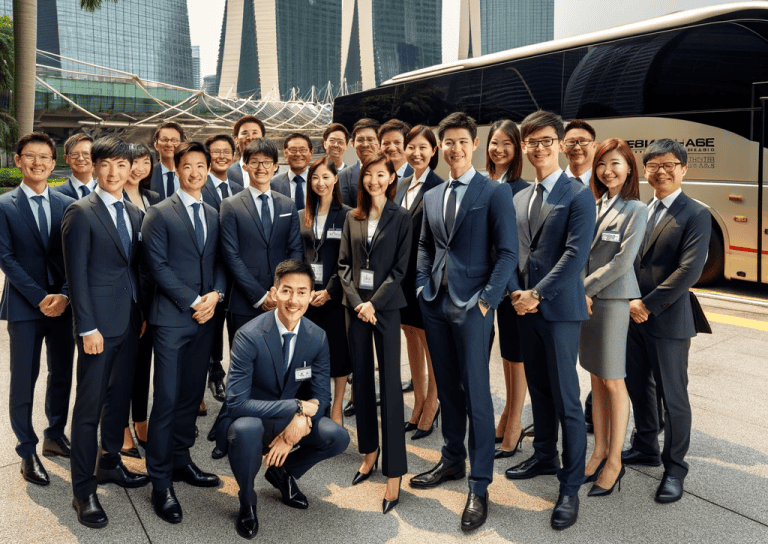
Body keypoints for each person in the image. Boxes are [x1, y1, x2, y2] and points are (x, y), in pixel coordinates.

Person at [410, 112, 517, 533]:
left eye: (461, 142)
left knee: (475, 394)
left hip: (473, 306)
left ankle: (480, 484)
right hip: (435, 302)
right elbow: (424, 244)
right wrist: (422, 287)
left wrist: (488, 301)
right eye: (447, 142)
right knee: (448, 390)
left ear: (474, 144)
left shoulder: (493, 192)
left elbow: (508, 253)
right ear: (441, 147)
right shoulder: (434, 195)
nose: (454, 149)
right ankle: (452, 460)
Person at [503, 111, 595, 531]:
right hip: (523, 307)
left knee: (566, 398)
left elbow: (575, 254)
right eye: (530, 142)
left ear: (559, 144)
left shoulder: (578, 194)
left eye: (545, 141)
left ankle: (570, 484)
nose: (537, 148)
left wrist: (537, 294)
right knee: (538, 387)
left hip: (558, 310)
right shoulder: (519, 196)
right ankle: (543, 454)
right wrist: (512, 295)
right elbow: (512, 253)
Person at [225, 259, 350, 538]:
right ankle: (247, 500)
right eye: (287, 291)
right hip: (253, 416)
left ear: (310, 295)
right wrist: (294, 406)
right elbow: (236, 402)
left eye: (302, 292)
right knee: (245, 430)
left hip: (290, 421)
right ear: (275, 292)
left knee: (337, 436)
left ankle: (283, 473)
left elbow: (321, 397)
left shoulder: (317, 337)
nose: (294, 300)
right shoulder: (249, 335)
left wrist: (298, 425)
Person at [62, 136, 149, 529]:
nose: (114, 172)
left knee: (118, 402)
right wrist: (88, 327)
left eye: (121, 165)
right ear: (94, 167)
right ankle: (83, 491)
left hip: (129, 322)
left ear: (131, 169)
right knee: (88, 409)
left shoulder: (132, 212)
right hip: (98, 327)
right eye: (106, 164)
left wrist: (140, 312)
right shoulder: (80, 212)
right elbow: (75, 275)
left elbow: (131, 268)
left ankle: (110, 462)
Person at [141, 141, 227, 524]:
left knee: (191, 396)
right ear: (177, 170)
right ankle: (159, 482)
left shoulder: (213, 211)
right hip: (173, 319)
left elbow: (221, 260)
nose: (195, 172)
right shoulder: (158, 214)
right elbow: (157, 267)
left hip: (205, 320)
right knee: (167, 399)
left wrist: (216, 295)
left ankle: (181, 460)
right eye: (187, 166)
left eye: (200, 166)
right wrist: (194, 300)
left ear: (208, 169)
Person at [622, 139, 710, 504]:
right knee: (638, 384)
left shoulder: (696, 213)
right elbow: (627, 259)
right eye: (654, 165)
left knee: (673, 396)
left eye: (669, 164)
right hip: (632, 316)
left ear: (684, 169)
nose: (661, 171)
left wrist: (647, 304)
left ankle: (674, 468)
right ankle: (645, 445)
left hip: (669, 319)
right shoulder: (642, 209)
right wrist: (630, 301)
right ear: (645, 171)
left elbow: (690, 270)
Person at [214, 138, 303, 457]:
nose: (262, 167)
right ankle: (227, 433)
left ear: (275, 166)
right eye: (255, 162)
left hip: (281, 303)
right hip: (244, 302)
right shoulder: (231, 204)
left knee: (273, 369)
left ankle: (267, 432)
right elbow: (231, 255)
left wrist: (280, 292)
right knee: (241, 371)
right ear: (245, 165)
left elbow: (295, 250)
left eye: (267, 162)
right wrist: (258, 294)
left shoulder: (286, 204)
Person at [0, 132, 76, 486]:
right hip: (25, 305)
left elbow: (75, 257)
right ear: (18, 161)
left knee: (62, 373)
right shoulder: (4, 205)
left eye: (45, 157)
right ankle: (26, 449)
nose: (38, 163)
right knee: (23, 379)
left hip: (63, 305)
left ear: (53, 162)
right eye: (30, 156)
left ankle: (55, 435)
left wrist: (61, 294)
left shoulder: (66, 204)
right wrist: (38, 297)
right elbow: (6, 258)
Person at [337, 151, 411, 514]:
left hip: (385, 310)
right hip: (355, 310)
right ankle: (369, 453)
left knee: (390, 388)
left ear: (391, 177)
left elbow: (400, 270)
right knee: (362, 382)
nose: (374, 181)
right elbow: (343, 266)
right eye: (369, 175)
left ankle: (394, 473)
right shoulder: (353, 216)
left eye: (381, 174)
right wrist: (355, 302)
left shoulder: (402, 217)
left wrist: (373, 304)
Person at [578, 138, 647, 497]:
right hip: (587, 302)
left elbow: (621, 262)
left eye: (615, 163)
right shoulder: (597, 202)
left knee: (613, 380)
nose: (607, 170)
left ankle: (615, 460)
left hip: (610, 302)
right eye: (602, 164)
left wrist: (585, 290)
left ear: (630, 167)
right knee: (596, 379)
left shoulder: (635, 208)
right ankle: (599, 450)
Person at [485, 119, 531, 458]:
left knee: (517, 355)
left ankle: (514, 420)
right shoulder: (485, 183)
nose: (499, 149)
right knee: (504, 355)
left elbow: (518, 247)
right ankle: (505, 414)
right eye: (495, 143)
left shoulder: (522, 189)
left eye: (507, 144)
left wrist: (511, 287)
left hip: (513, 287)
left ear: (517, 150)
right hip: (487, 286)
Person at [395, 125, 442, 440]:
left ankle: (433, 404)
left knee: (430, 342)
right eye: (411, 146)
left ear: (434, 150)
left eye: (423, 147)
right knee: (410, 335)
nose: (416, 152)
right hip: (400, 276)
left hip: (424, 277)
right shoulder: (401, 185)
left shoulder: (439, 187)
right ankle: (418, 402)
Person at [298, 157, 352, 425]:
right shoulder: (302, 215)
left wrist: (330, 290)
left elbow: (349, 258)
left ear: (335, 179)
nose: (320, 183)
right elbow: (299, 257)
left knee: (338, 353)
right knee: (308, 354)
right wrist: (305, 291)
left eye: (325, 177)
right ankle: (314, 406)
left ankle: (336, 408)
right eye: (315, 178)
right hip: (307, 297)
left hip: (336, 295)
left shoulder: (348, 215)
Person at [120, 143, 161, 458]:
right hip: (123, 294)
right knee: (123, 366)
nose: (138, 167)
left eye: (145, 161)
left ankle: (141, 420)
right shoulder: (113, 199)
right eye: (133, 161)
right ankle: (121, 427)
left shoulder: (154, 200)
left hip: (151, 294)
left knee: (143, 362)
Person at [203, 134, 245, 403]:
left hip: (237, 268)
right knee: (212, 324)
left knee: (236, 324)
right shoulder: (198, 182)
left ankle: (235, 375)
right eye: (215, 152)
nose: (221, 156)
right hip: (211, 267)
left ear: (234, 155)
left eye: (225, 151)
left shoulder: (238, 184)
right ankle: (213, 371)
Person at [338, 118, 380, 207]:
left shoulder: (391, 172)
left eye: (370, 139)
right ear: (352, 143)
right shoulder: (343, 176)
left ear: (379, 142)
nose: (365, 144)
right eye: (360, 140)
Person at [271, 133, 314, 210]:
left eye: (303, 150)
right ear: (285, 154)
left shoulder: (320, 181)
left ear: (311, 153)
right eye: (293, 150)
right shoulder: (274, 183)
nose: (298, 154)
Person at [227, 115, 266, 187]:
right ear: (236, 140)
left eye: (255, 133)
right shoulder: (227, 175)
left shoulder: (274, 173)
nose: (250, 138)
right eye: (244, 133)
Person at [54, 133, 96, 199]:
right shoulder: (55, 194)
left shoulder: (107, 192)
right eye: (74, 154)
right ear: (66, 158)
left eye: (86, 154)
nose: (80, 158)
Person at [150, 121, 185, 200]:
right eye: (164, 139)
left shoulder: (190, 174)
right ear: (156, 145)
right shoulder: (148, 174)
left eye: (174, 140)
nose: (169, 144)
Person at [563, 119, 597, 188]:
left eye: (583, 141)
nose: (577, 148)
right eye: (571, 142)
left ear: (594, 146)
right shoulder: (551, 184)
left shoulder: (607, 184)